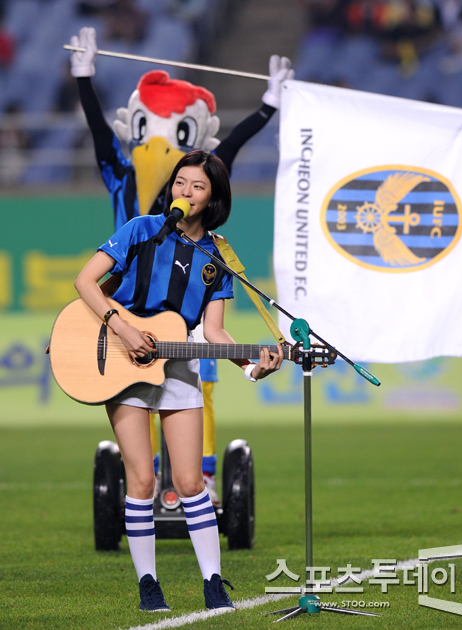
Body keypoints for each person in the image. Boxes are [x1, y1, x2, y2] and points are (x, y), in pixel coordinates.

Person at [69, 25, 293, 505]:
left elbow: (228, 150)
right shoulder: (123, 178)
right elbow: (98, 132)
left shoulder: (200, 186)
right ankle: (145, 480)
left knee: (202, 383)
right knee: (135, 394)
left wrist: (268, 106)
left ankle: (200, 479)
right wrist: (84, 76)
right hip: (128, 313)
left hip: (185, 312)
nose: (187, 188)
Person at [74, 149, 283, 612]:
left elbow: (213, 333)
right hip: (121, 363)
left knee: (191, 483)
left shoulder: (217, 256)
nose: (185, 193)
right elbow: (85, 282)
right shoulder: (139, 230)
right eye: (180, 183)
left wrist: (252, 365)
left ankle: (213, 583)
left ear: (213, 199)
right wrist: (125, 330)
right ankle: (149, 584)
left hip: (179, 367)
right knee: (142, 481)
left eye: (197, 187)